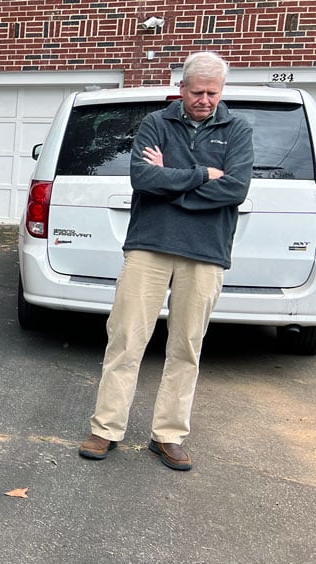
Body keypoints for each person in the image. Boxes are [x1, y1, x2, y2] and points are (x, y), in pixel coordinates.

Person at [78, 51, 254, 471]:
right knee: (125, 338)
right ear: (182, 88)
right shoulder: (157, 124)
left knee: (186, 347)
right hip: (149, 247)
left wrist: (172, 178)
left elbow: (236, 189)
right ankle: (106, 428)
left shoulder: (238, 130)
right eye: (198, 92)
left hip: (206, 253)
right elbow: (143, 178)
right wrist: (202, 174)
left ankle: (169, 436)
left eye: (213, 93)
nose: (205, 100)